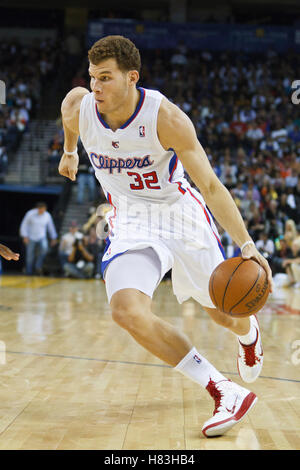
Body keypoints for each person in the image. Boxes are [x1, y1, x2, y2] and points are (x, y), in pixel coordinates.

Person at [58, 35, 273, 438]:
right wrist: (70, 151)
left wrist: (247, 246)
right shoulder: (80, 105)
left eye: (106, 78)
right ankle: (223, 389)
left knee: (222, 312)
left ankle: (249, 332)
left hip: (180, 216)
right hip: (132, 221)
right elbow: (69, 117)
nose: (96, 87)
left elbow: (209, 185)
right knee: (125, 311)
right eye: (92, 78)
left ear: (131, 77)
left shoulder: (165, 117)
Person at [20, 202, 58, 275]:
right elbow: (24, 225)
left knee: (44, 249)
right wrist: (24, 236)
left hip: (41, 237)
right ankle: (29, 271)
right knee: (30, 255)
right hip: (31, 237)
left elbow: (51, 227)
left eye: (43, 210)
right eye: (40, 209)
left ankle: (38, 266)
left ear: (45, 209)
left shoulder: (47, 215)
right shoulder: (30, 214)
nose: (41, 211)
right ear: (37, 209)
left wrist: (54, 238)